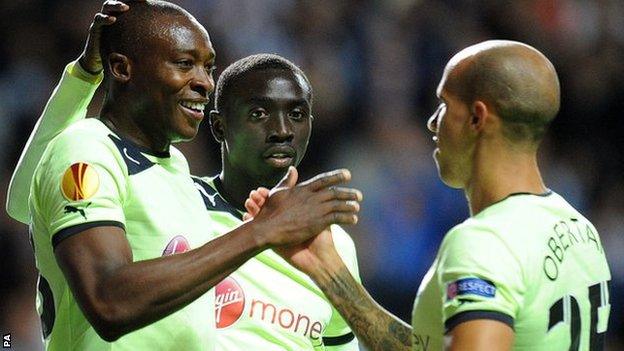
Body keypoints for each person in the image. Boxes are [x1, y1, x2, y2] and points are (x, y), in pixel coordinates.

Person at [6, 1, 361, 350]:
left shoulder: (176, 171)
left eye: (208, 67)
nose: (205, 83)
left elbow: (28, 204)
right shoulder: (89, 146)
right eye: (184, 64)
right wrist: (261, 231)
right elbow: (108, 301)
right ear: (122, 68)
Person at [246, 40, 612, 350]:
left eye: (445, 105)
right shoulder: (579, 229)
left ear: (477, 118)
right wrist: (328, 269)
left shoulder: (483, 243)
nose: (432, 123)